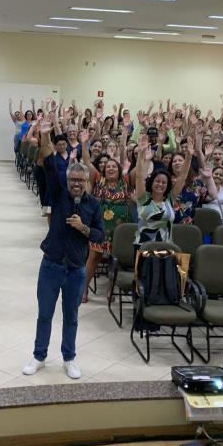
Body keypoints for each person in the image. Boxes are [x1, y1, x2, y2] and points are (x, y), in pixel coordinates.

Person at [23, 119, 103, 380]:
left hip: (76, 270)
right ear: (68, 180)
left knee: (71, 317)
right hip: (51, 265)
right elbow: (48, 163)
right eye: (73, 180)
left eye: (81, 180)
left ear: (88, 182)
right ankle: (39, 356)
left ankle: (69, 358)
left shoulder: (93, 205)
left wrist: (84, 229)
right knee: (44, 314)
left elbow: (101, 234)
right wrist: (45, 135)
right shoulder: (58, 193)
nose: (76, 184)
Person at [82, 136, 131, 302]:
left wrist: (123, 140)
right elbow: (88, 162)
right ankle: (84, 290)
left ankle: (110, 290)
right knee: (93, 258)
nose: (110, 169)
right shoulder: (98, 179)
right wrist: (84, 143)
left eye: (113, 167)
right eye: (107, 166)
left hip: (119, 230)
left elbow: (127, 161)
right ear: (103, 170)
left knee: (114, 261)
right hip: (100, 228)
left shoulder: (125, 181)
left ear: (119, 170)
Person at [134, 134, 175, 244]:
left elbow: (183, 177)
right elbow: (139, 177)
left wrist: (189, 156)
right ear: (151, 182)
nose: (160, 184)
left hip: (166, 249)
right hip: (143, 248)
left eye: (164, 182)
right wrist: (141, 155)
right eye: (157, 181)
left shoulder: (169, 199)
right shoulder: (143, 197)